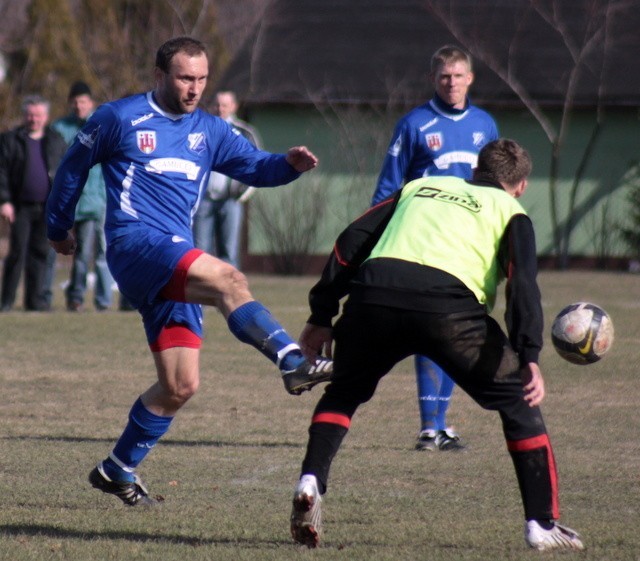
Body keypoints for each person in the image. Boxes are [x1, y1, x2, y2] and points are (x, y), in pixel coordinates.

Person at [46, 36, 332, 506]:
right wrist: (58, 228)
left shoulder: (210, 130)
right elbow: (72, 169)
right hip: (136, 244)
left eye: (201, 78)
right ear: (159, 76)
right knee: (230, 280)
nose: (194, 87)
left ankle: (118, 468)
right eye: (184, 77)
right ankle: (292, 362)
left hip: (175, 257)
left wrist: (289, 165)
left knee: (180, 384)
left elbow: (255, 167)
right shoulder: (118, 118)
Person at [290, 139, 584, 552]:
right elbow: (522, 286)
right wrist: (529, 356)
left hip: (375, 296)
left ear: (474, 172)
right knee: (519, 402)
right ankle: (541, 522)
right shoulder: (512, 213)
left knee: (344, 392)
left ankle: (311, 479)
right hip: (449, 310)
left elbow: (350, 242)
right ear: (520, 185)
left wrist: (322, 314)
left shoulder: (418, 188)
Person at [372, 45, 499, 452]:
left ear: (470, 78)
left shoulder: (485, 125)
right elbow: (389, 185)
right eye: (444, 76)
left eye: (459, 75)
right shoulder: (414, 124)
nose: (452, 82)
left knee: (454, 326)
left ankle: (437, 425)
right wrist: (376, 230)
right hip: (424, 237)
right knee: (434, 325)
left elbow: (496, 184)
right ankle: (432, 426)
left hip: (468, 239)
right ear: (433, 79)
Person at [0, 95, 67, 311]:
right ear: (24, 115)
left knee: (40, 254)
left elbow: (65, 173)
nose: (33, 119)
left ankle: (34, 303)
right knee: (17, 252)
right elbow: (1, 173)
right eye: (30, 114)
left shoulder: (56, 140)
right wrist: (5, 201)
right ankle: (7, 301)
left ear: (45, 117)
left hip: (47, 207)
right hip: (20, 207)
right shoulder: (10, 140)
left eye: (38, 115)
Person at [52, 81, 114, 311]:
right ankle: (75, 298)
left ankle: (103, 301)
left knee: (102, 254)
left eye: (84, 101)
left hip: (100, 202)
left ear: (91, 103)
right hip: (75, 203)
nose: (79, 106)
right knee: (80, 254)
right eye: (76, 101)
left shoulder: (102, 126)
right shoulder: (61, 128)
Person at [193, 90, 262, 268]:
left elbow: (257, 165)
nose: (220, 109)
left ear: (233, 107)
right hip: (203, 201)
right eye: (217, 105)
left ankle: (229, 294)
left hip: (231, 201)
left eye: (224, 105)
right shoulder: (199, 129)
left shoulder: (244, 133)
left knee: (229, 253)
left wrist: (241, 196)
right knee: (200, 252)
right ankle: (202, 294)